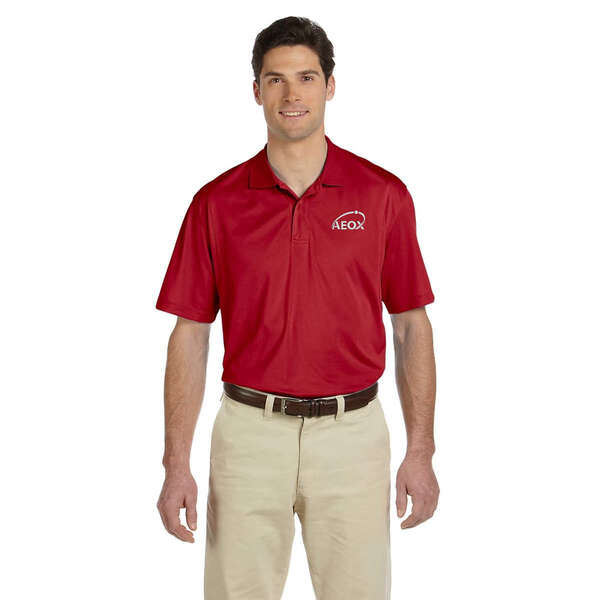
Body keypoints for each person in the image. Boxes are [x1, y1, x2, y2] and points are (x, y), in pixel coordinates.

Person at [155, 16, 439, 600]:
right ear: (256, 90)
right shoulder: (215, 203)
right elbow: (190, 334)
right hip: (247, 437)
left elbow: (411, 326)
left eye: (306, 77)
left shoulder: (382, 195)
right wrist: (175, 463)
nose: (292, 94)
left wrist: (421, 451)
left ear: (330, 85)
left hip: (353, 437)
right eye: (276, 79)